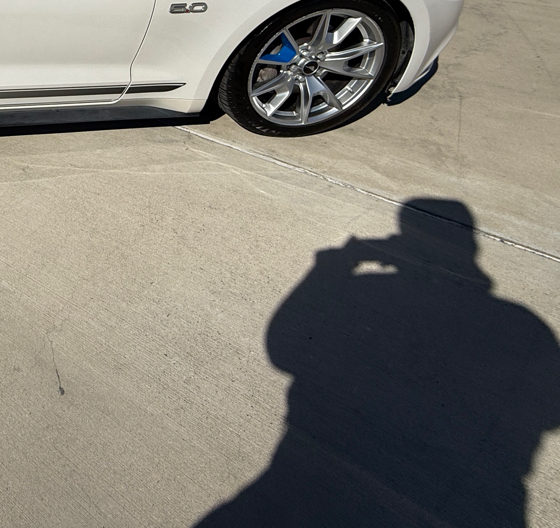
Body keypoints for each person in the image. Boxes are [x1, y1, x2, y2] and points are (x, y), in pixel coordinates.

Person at [196, 199, 560, 527]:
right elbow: (549, 410)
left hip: (304, 484)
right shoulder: (523, 324)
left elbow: (283, 351)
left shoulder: (365, 290)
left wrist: (331, 265)